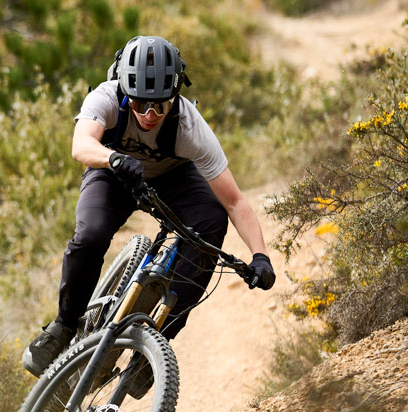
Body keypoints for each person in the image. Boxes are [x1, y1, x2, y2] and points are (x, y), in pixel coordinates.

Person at [22, 34, 277, 376]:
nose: (150, 114)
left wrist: (260, 255)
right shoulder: (106, 97)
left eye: (160, 105)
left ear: (175, 96)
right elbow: (81, 145)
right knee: (91, 234)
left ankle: (156, 347)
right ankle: (63, 326)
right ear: (125, 91)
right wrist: (112, 158)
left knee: (211, 223)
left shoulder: (188, 125)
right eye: (140, 103)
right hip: (112, 171)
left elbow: (234, 201)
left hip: (174, 177)